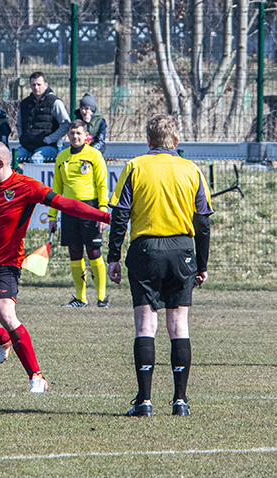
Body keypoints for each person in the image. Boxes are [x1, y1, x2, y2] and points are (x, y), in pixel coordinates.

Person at [0, 142, 111, 393]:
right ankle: (2, 338)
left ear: (0, 163)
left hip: (7, 264)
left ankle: (37, 377)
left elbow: (64, 203)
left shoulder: (27, 187)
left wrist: (105, 216)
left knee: (5, 314)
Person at [107, 114, 213, 417]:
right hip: (182, 250)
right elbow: (203, 223)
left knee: (146, 325)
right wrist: (201, 264)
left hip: (146, 251)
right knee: (178, 325)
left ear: (148, 140)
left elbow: (120, 215)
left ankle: (144, 401)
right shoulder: (191, 169)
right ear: (176, 141)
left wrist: (113, 256)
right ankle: (180, 401)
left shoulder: (135, 167)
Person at [48, 119, 109, 308]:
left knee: (93, 251)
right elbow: (56, 188)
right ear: (68, 134)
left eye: (79, 133)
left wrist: (103, 211)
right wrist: (52, 216)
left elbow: (102, 185)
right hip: (68, 209)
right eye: (72, 133)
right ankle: (81, 298)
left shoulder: (95, 155)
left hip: (90, 209)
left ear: (86, 136)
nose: (75, 136)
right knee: (74, 252)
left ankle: (102, 298)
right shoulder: (62, 157)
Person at [15, 71, 71, 164]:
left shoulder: (55, 102)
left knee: (35, 160)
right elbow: (19, 124)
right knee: (11, 160)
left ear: (46, 85)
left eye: (39, 84)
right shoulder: (24, 103)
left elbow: (66, 124)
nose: (36, 87)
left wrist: (50, 139)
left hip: (48, 147)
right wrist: (22, 137)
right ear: (30, 86)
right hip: (26, 146)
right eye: (33, 85)